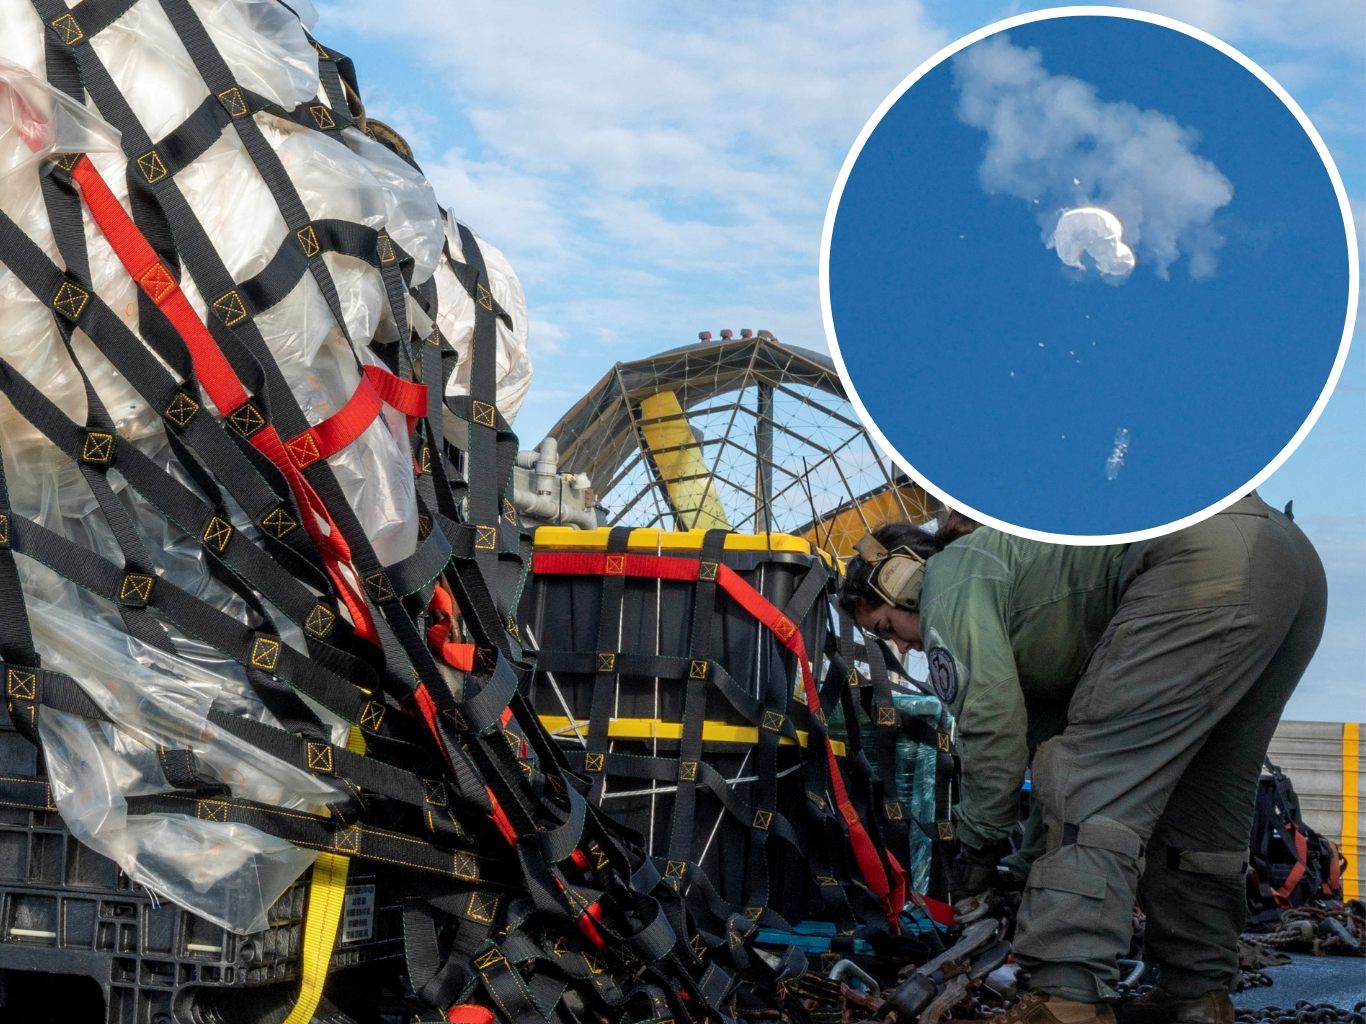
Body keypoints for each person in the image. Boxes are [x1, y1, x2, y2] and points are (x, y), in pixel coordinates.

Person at [838, 493, 1326, 1024]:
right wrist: (1021, 869)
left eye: (888, 628)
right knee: (1199, 803)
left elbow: (992, 730)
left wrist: (974, 852)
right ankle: (1197, 995)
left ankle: (1067, 997)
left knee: (1091, 780)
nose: (904, 650)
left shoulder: (950, 577)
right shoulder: (1034, 601)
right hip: (1286, 558)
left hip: (1196, 565)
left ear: (902, 580)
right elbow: (1048, 753)